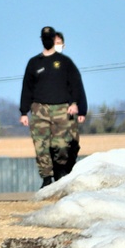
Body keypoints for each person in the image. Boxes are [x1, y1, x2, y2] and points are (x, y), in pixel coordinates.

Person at [19, 26, 88, 187]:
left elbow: (76, 84)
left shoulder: (65, 62)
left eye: (50, 38)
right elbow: (27, 87)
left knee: (61, 145)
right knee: (41, 145)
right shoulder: (34, 63)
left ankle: (60, 169)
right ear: (41, 40)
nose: (48, 41)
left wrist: (75, 104)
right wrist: (24, 111)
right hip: (39, 109)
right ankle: (46, 177)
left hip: (61, 109)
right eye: (45, 38)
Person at [52, 31, 83, 174]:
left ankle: (68, 170)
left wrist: (82, 108)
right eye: (53, 43)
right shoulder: (41, 65)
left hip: (69, 112)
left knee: (73, 144)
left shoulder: (68, 65)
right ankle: (57, 174)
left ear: (63, 45)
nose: (56, 46)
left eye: (58, 43)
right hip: (50, 114)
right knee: (55, 146)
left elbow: (77, 86)